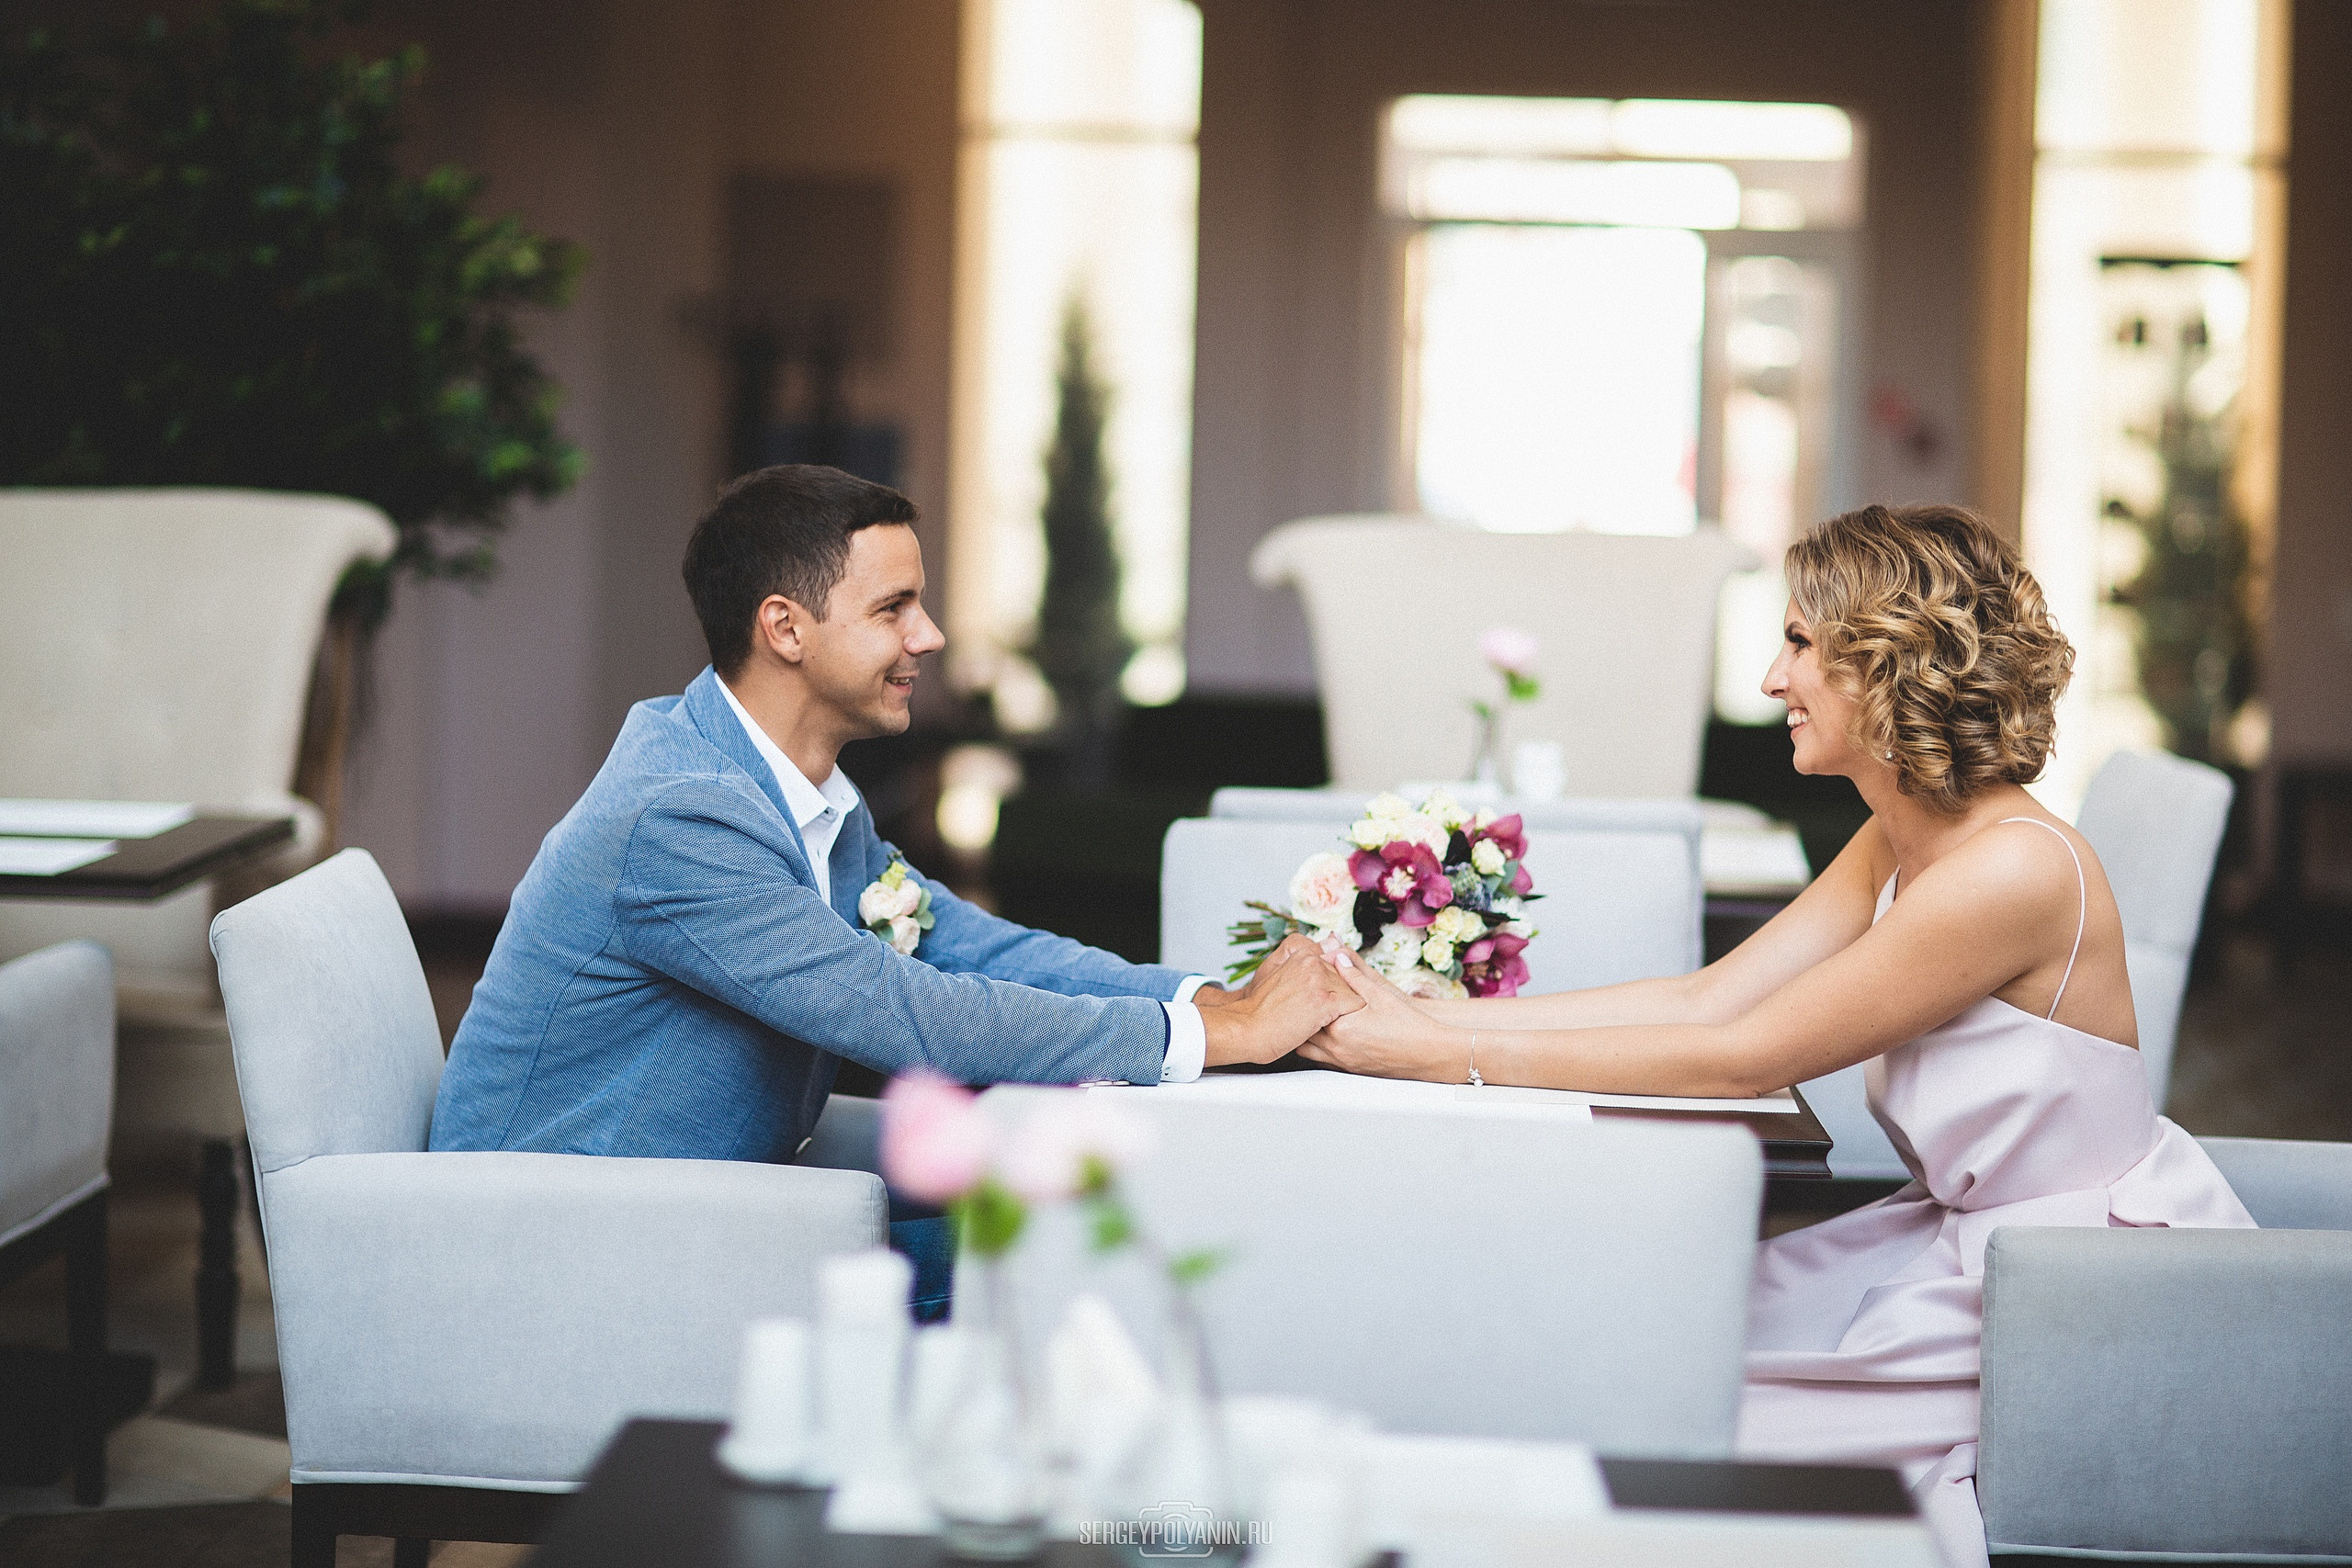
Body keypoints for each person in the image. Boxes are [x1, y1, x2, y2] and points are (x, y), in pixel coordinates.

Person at [1293, 503, 2254, 1568]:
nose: (1768, 680)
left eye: (1798, 643)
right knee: (1650, 1335)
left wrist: (1434, 1056)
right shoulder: (1903, 832)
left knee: (1678, 1402)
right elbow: (1707, 1000)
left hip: (2066, 1296)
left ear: (1886, 663)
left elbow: (1745, 1058)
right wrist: (1426, 1017)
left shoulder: (2010, 868)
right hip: (1957, 1244)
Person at [430, 465, 1358, 1313]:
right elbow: (905, 1014)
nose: (930, 635)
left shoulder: (801, 791)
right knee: (1079, 1257)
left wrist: (1204, 997)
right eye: (894, 608)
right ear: (785, 628)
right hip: (561, 1248)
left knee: (1087, 1195)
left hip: (713, 1189)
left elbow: (970, 945)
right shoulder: (680, 814)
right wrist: (1219, 1035)